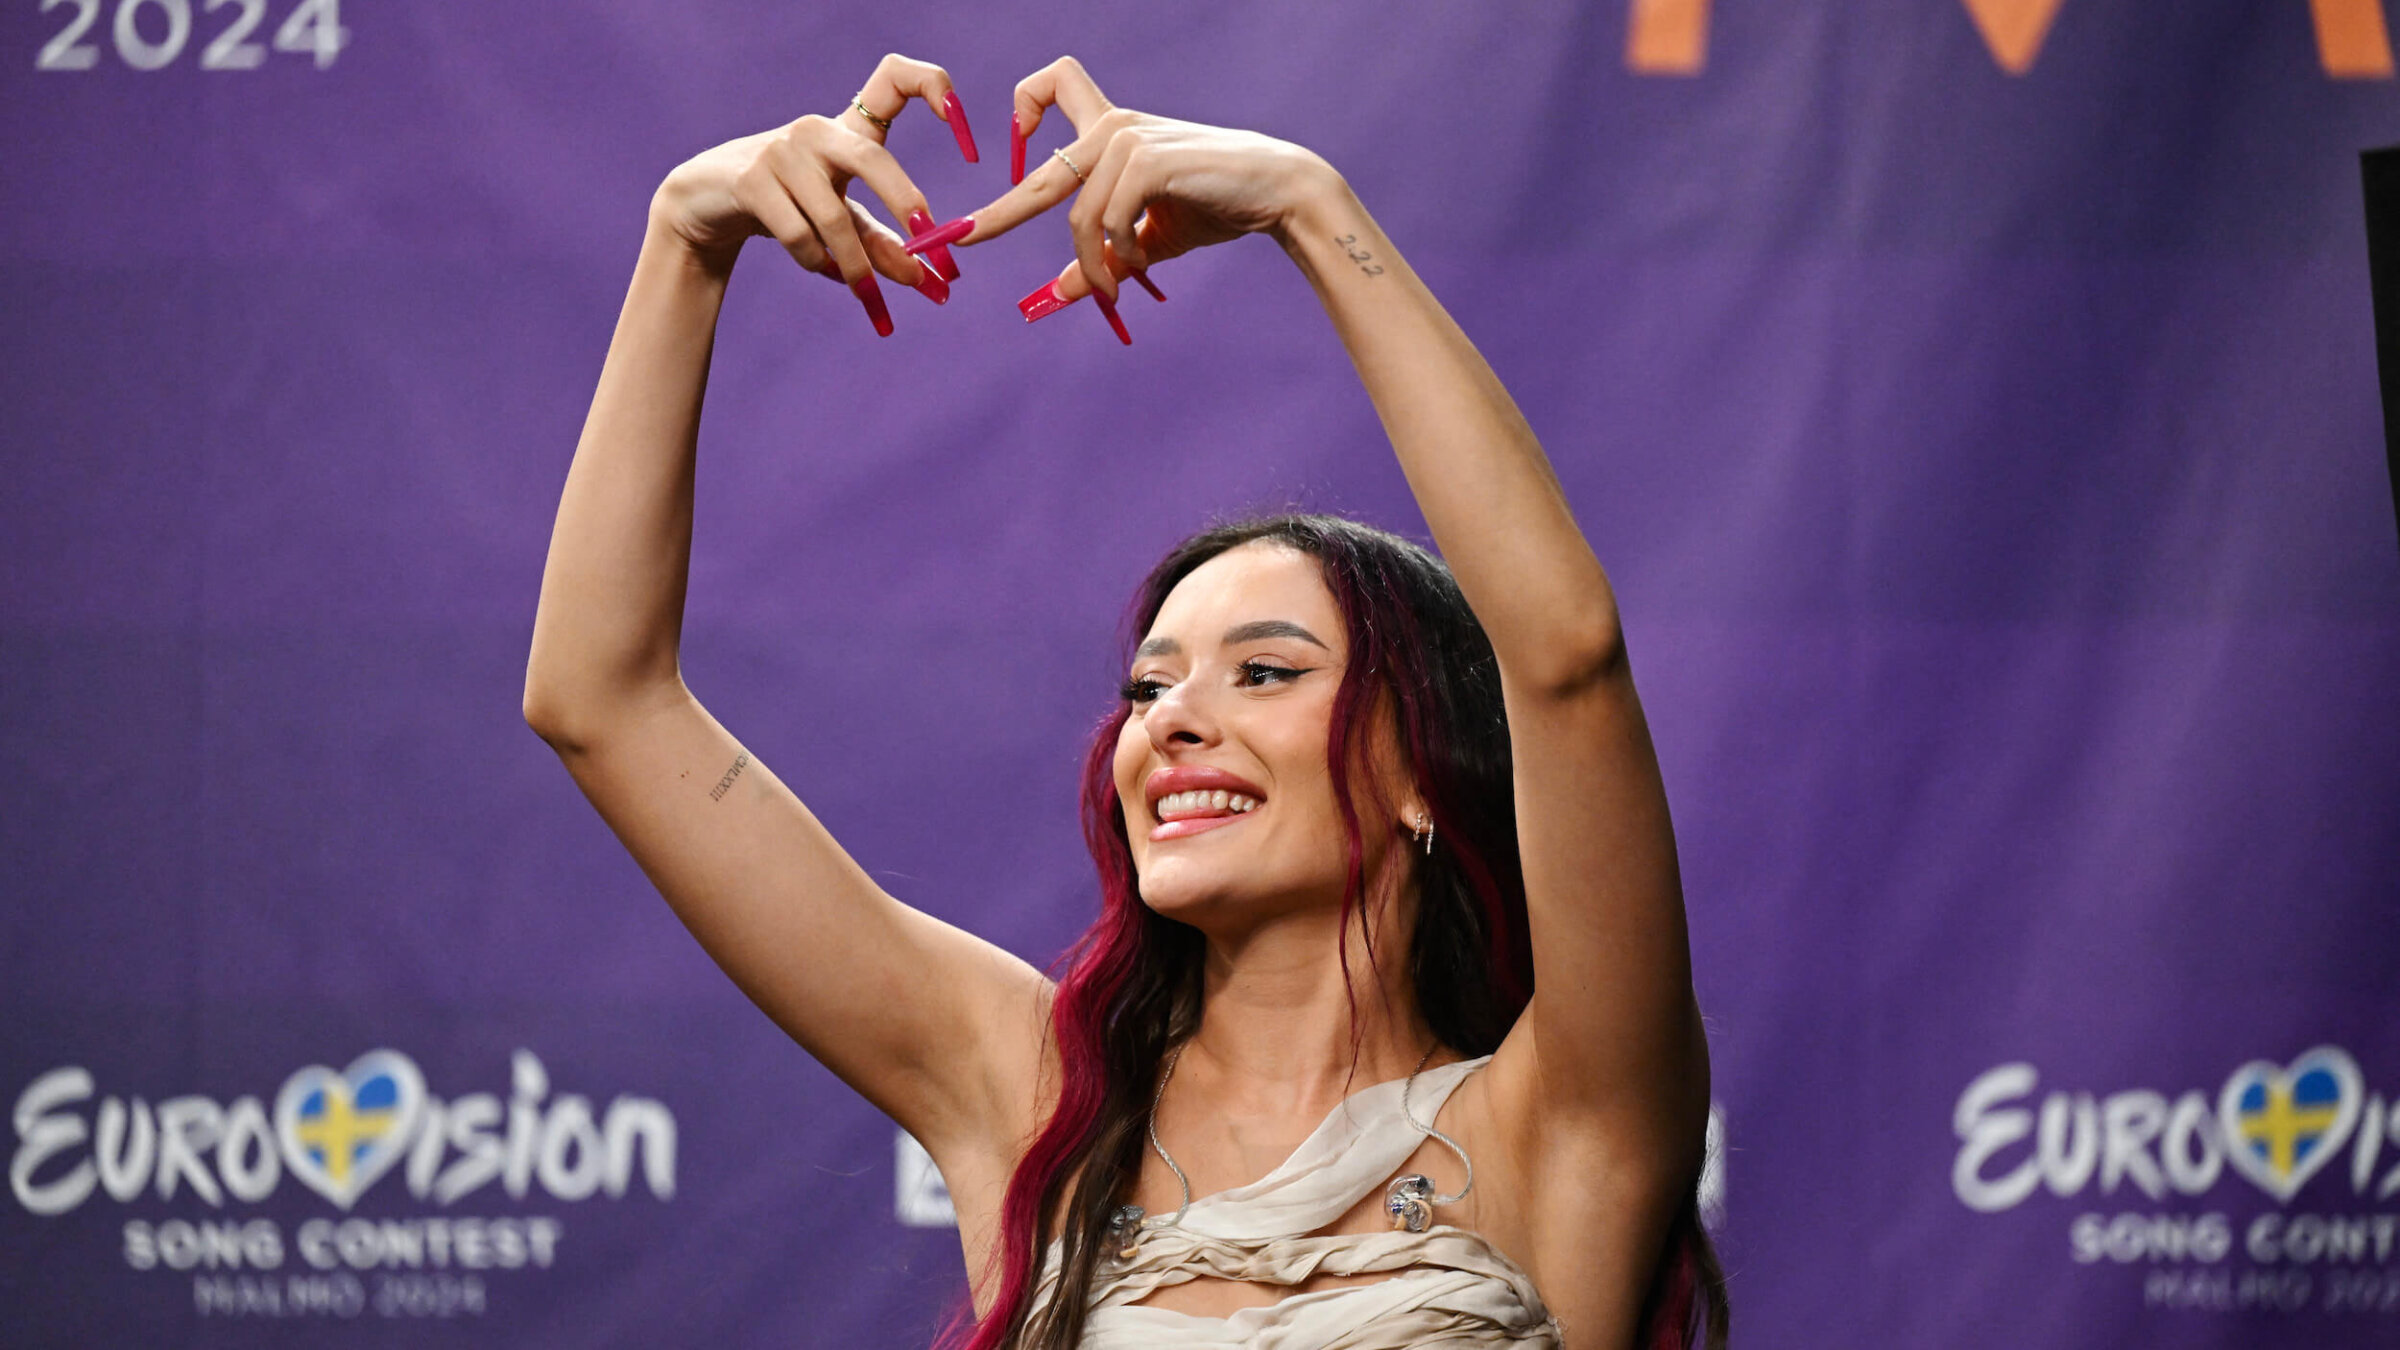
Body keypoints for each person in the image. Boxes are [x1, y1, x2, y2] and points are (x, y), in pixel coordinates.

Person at [525, 51, 1728, 1350]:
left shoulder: (1559, 1120)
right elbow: (603, 699)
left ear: (1423, 766)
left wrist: (1308, 205)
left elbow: (1565, 659)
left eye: (1265, 671)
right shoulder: (1037, 1094)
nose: (1171, 720)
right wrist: (684, 239)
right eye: (1150, 684)